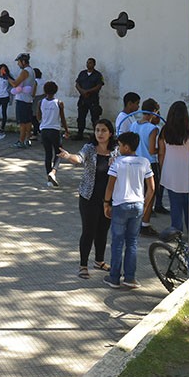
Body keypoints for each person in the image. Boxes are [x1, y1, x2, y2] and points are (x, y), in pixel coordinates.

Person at [58, 119, 117, 279]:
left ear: (110, 133)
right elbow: (80, 158)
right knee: (88, 231)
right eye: (97, 130)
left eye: (104, 130)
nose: (100, 133)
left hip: (108, 199)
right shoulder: (89, 148)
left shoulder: (116, 151)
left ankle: (99, 261)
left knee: (103, 231)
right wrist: (69, 156)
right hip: (89, 197)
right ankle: (83, 265)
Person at [103, 132, 154, 290]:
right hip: (138, 204)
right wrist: (145, 205)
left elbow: (110, 186)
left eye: (119, 145)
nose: (118, 148)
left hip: (120, 205)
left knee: (117, 243)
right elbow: (151, 188)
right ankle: (130, 278)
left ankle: (114, 278)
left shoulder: (117, 163)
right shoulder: (144, 162)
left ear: (126, 146)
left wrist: (106, 203)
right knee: (132, 242)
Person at [157, 101, 189, 233]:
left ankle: (176, 233)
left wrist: (163, 169)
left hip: (171, 171)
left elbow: (161, 153)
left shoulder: (164, 131)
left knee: (175, 206)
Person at [133, 98, 162, 236]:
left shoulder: (134, 125)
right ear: (154, 112)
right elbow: (151, 150)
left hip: (135, 163)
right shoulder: (153, 128)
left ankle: (134, 222)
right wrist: (161, 149)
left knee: (137, 193)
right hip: (149, 164)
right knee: (150, 194)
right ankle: (144, 224)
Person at [37, 81, 69, 186]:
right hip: (54, 130)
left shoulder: (40, 102)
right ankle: (53, 171)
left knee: (48, 154)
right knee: (59, 153)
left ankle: (48, 179)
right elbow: (63, 118)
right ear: (56, 91)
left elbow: (38, 117)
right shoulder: (59, 103)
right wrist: (67, 130)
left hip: (44, 130)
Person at [74, 58, 104, 140]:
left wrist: (88, 91)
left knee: (95, 118)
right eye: (87, 63)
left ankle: (96, 136)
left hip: (93, 99)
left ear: (94, 64)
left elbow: (99, 86)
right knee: (81, 117)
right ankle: (80, 134)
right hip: (83, 99)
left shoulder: (98, 75)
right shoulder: (82, 73)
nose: (88, 64)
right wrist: (82, 92)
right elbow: (77, 84)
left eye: (90, 63)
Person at [10, 53, 36, 148]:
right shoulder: (32, 71)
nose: (18, 64)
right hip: (28, 99)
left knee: (22, 122)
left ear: (23, 62)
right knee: (28, 121)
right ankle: (27, 140)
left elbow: (15, 84)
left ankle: (21, 141)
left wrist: (7, 77)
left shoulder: (25, 71)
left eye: (19, 62)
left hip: (22, 99)